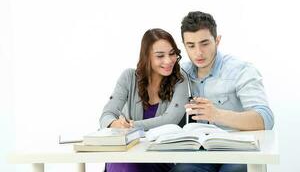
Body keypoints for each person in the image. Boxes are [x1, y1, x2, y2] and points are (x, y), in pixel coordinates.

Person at [169, 11, 274, 172]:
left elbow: (265, 119)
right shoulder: (181, 74)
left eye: (204, 43)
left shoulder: (241, 70)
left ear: (217, 41)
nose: (198, 52)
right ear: (184, 46)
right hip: (201, 154)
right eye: (191, 45)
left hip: (239, 151)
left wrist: (217, 115)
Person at [99, 28, 189, 172]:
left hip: (157, 158)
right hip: (127, 154)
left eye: (172, 54)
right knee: (126, 164)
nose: (168, 60)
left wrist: (132, 125)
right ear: (147, 56)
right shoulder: (128, 77)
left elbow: (169, 119)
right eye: (160, 56)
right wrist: (114, 123)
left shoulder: (180, 80)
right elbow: (106, 116)